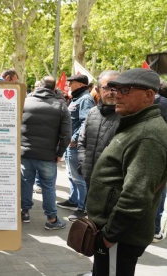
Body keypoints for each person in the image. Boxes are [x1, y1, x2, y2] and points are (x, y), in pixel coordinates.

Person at [87, 68, 167, 276]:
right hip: (114, 234)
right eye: (115, 89)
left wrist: (108, 237)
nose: (116, 94)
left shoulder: (146, 134)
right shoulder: (135, 125)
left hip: (119, 239)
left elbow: (136, 196)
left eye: (125, 90)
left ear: (149, 95)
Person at [75, 70, 120, 276]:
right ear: (98, 90)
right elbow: (82, 142)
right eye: (107, 87)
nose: (112, 92)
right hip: (90, 183)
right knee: (95, 236)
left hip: (113, 192)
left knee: (110, 242)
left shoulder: (125, 116)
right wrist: (84, 165)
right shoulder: (92, 113)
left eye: (116, 87)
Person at [20, 76, 71, 229]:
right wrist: (59, 153)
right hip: (47, 155)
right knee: (48, 187)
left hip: (25, 153)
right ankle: (52, 219)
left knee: (25, 183)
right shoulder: (60, 106)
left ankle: (24, 212)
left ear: (38, 86)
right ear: (54, 89)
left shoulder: (25, 102)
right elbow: (66, 134)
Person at [57, 74, 95, 221]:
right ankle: (74, 200)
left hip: (74, 144)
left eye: (71, 83)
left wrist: (74, 139)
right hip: (69, 144)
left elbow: (87, 122)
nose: (69, 85)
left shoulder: (85, 99)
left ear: (79, 84)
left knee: (79, 178)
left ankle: (82, 209)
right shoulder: (77, 98)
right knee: (71, 176)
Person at [152, 78, 167, 243]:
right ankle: (155, 230)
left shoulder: (156, 103)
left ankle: (154, 229)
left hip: (157, 152)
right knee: (159, 192)